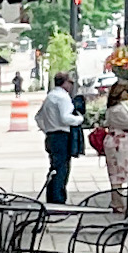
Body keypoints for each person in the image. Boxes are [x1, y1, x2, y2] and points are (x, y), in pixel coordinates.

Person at [36, 73, 80, 205]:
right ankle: (58, 197)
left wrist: (47, 129)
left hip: (51, 135)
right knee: (62, 168)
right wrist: (79, 119)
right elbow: (65, 118)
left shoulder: (50, 97)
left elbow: (38, 117)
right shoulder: (63, 98)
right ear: (65, 83)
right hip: (61, 134)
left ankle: (52, 195)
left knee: (54, 167)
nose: (71, 86)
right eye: (70, 83)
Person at [98, 79, 128, 214]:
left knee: (117, 174)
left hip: (117, 143)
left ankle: (118, 201)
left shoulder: (116, 108)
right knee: (118, 174)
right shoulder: (118, 110)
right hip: (119, 144)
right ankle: (118, 202)